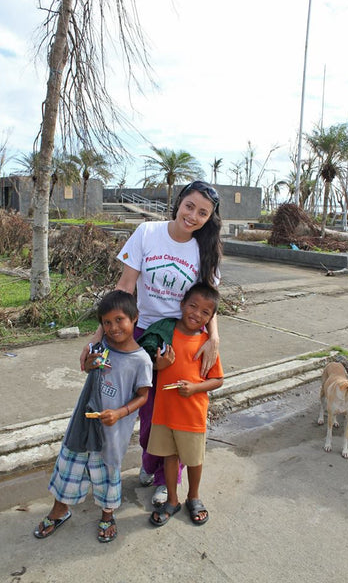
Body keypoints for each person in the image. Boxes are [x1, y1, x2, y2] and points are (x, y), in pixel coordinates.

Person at [79, 180, 222, 506]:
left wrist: (213, 338)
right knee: (144, 407)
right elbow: (125, 286)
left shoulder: (205, 249)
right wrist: (99, 334)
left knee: (171, 410)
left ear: (208, 218)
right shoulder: (146, 233)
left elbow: (208, 301)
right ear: (179, 202)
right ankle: (149, 461)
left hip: (180, 338)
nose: (193, 216)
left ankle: (165, 479)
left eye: (203, 213)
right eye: (190, 206)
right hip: (141, 334)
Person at [34, 290, 152, 543]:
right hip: (83, 424)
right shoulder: (101, 346)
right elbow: (88, 369)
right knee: (68, 465)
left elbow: (143, 396)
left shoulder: (141, 360)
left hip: (112, 431)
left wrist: (120, 413)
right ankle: (60, 510)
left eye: (119, 320)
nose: (113, 327)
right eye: (106, 322)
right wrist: (90, 363)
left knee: (107, 473)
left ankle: (107, 514)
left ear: (135, 318)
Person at [142, 283, 224, 527]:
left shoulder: (207, 343)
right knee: (169, 457)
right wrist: (159, 366)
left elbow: (218, 380)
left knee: (194, 459)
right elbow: (149, 367)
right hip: (165, 413)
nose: (197, 314)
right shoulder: (165, 335)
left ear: (210, 318)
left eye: (205, 312)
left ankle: (194, 497)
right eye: (193, 306)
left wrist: (195, 388)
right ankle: (173, 500)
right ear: (182, 304)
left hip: (192, 414)